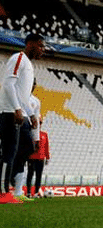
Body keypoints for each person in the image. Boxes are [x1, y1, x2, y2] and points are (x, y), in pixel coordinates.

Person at [0, 33, 44, 204]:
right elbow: (8, 84)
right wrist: (17, 109)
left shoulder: (29, 65)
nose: (43, 50)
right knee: (9, 153)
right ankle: (4, 192)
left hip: (19, 112)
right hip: (9, 112)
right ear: (31, 44)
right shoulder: (19, 58)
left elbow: (23, 95)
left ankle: (13, 187)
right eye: (41, 46)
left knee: (25, 149)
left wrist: (31, 114)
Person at [12, 85, 41, 202]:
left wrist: (37, 138)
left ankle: (18, 191)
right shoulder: (15, 95)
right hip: (13, 122)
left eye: (33, 84)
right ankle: (10, 184)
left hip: (26, 125)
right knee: (10, 155)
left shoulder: (35, 101)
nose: (31, 86)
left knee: (25, 153)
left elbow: (36, 121)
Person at [27, 117, 50, 198]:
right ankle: (28, 192)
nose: (39, 124)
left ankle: (36, 192)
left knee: (38, 176)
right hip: (31, 157)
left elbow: (46, 146)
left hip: (41, 158)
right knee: (30, 175)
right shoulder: (30, 133)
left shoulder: (44, 134)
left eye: (40, 122)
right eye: (38, 122)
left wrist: (47, 157)